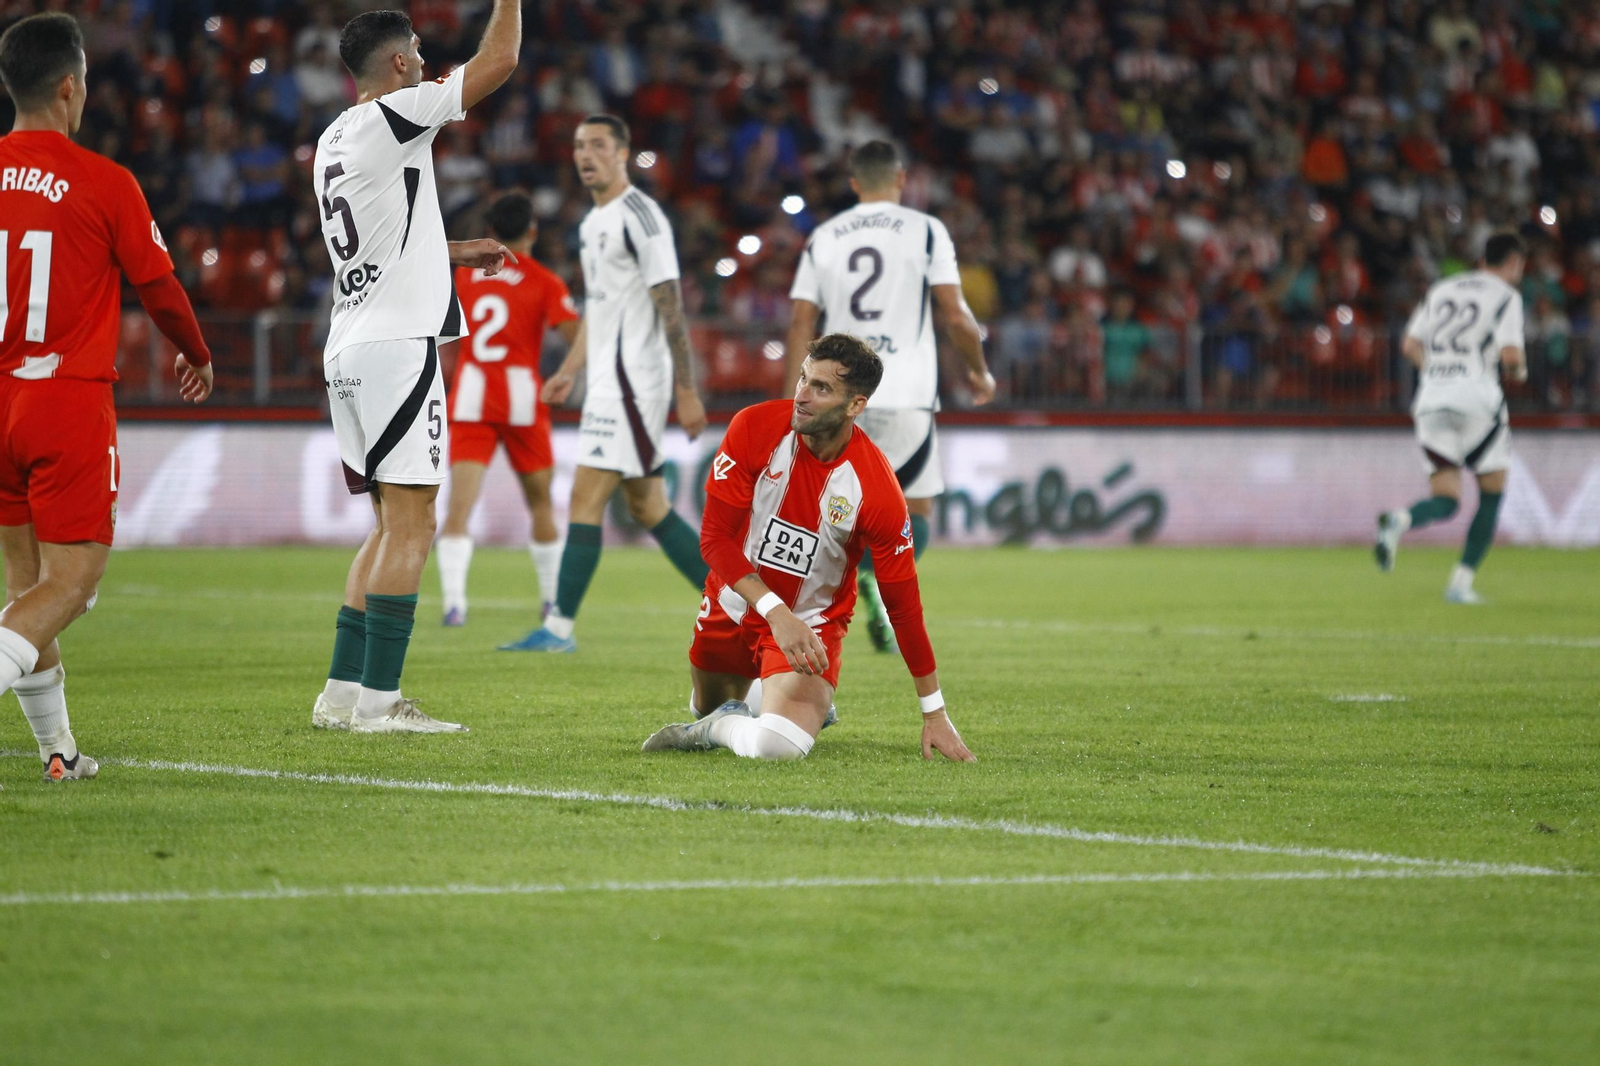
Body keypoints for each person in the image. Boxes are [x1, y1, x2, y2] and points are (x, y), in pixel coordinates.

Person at [0, 13, 214, 780]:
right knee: (72, 585)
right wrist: (197, 353)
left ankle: (58, 752)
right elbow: (159, 288)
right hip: (62, 398)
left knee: (30, 588)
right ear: (68, 87)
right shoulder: (102, 181)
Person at [308, 3, 521, 734]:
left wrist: (455, 252)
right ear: (397, 65)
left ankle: (340, 696)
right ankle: (380, 704)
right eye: (421, 53)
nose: (429, 62)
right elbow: (498, 65)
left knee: (384, 525)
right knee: (412, 526)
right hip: (398, 346)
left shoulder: (333, 138)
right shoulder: (399, 111)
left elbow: (378, 234)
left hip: (350, 344)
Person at [642, 334, 975, 763]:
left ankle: (725, 725)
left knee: (777, 747)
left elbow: (904, 606)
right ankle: (760, 707)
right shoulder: (754, 427)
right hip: (734, 602)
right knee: (702, 705)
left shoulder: (876, 489)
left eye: (822, 388)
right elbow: (715, 539)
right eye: (803, 379)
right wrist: (775, 612)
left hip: (809, 625)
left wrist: (935, 712)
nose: (802, 395)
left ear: (855, 405)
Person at [499, 114, 710, 653]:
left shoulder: (640, 216)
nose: (585, 154)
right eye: (577, 146)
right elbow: (600, 306)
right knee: (648, 507)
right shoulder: (593, 224)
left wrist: (686, 389)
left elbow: (671, 305)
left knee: (584, 499)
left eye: (597, 145)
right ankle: (738, 601)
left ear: (622, 153)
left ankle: (558, 629)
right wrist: (569, 370)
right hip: (608, 381)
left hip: (636, 382)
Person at [782, 140, 994, 654]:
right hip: (904, 391)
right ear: (900, 179)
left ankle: (818, 613)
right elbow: (955, 313)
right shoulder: (925, 231)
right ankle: (875, 588)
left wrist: (799, 397)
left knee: (825, 510)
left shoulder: (825, 235)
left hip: (835, 392)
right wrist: (978, 371)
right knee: (913, 508)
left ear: (854, 184)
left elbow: (800, 321)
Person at [436, 191, 580, 626]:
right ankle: (552, 603)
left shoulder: (463, 276)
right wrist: (568, 372)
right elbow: (577, 336)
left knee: (459, 507)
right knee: (540, 505)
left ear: (491, 232)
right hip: (522, 399)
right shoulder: (544, 280)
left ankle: (454, 604)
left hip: (472, 396)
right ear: (532, 231)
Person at [1375, 232, 1527, 604]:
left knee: (1446, 497)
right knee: (1491, 494)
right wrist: (1519, 372)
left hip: (1431, 399)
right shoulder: (1506, 296)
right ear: (1513, 263)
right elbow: (1510, 357)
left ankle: (1401, 519)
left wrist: (1437, 373)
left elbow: (1410, 345)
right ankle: (1460, 584)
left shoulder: (1442, 288)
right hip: (1477, 401)